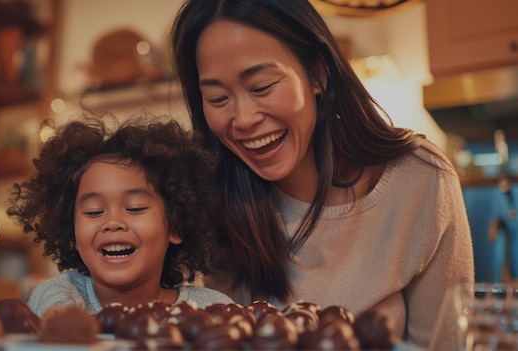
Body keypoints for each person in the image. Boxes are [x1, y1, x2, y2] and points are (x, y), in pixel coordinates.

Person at [169, 0, 474, 346]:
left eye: (262, 86)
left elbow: (446, 344)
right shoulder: (211, 201)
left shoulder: (419, 179)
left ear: (317, 74)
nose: (244, 119)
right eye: (218, 99)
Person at [7, 116, 234, 317]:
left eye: (135, 208)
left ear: (176, 225)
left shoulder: (211, 309)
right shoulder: (60, 296)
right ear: (72, 232)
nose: (112, 223)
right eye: (94, 212)